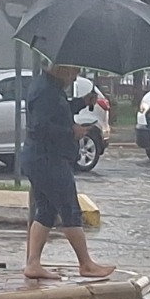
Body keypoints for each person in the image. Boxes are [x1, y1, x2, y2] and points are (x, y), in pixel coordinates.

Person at [22, 63, 115, 281]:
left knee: (46, 210)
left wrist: (82, 103)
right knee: (70, 209)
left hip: (40, 158)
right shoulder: (46, 91)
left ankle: (33, 263)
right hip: (48, 160)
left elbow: (57, 112)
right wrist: (71, 132)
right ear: (61, 69)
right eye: (74, 71)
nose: (76, 76)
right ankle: (86, 264)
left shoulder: (50, 89)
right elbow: (40, 126)